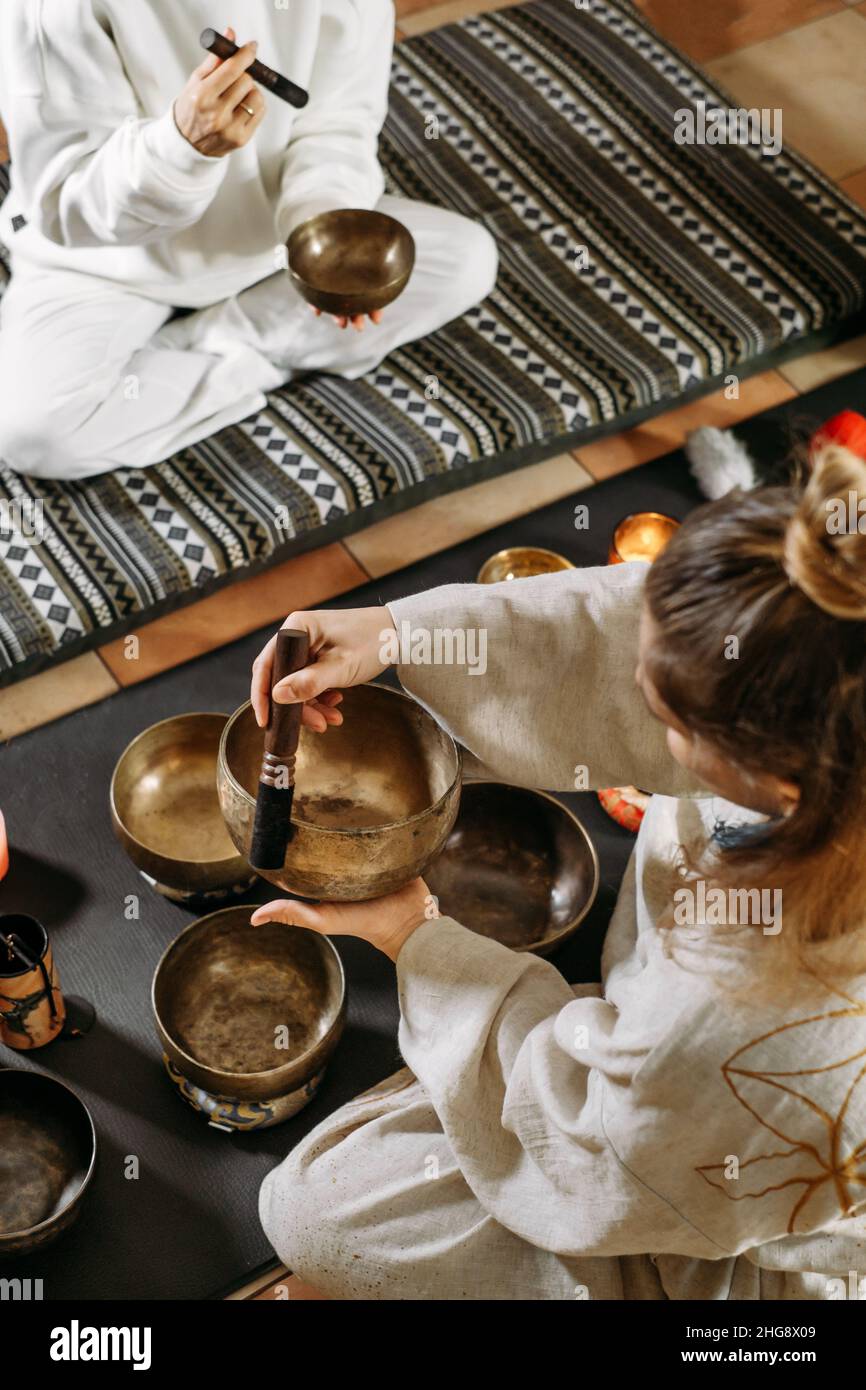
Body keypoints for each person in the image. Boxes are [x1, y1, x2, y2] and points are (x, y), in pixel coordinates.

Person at [247, 440, 866, 1300]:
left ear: (771, 768)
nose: (634, 678)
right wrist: (396, 633)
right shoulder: (835, 687)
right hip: (671, 1096)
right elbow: (640, 628)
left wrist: (420, 942)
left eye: (660, 708)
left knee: (313, 1215)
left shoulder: (760, 1000)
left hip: (715, 1216)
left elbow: (597, 1159)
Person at [0, 2, 497, 480]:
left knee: (465, 261)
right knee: (35, 435)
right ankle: (262, 343)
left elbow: (338, 123)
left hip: (272, 248)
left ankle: (208, 341)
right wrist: (179, 149)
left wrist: (321, 232)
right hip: (109, 267)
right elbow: (65, 205)